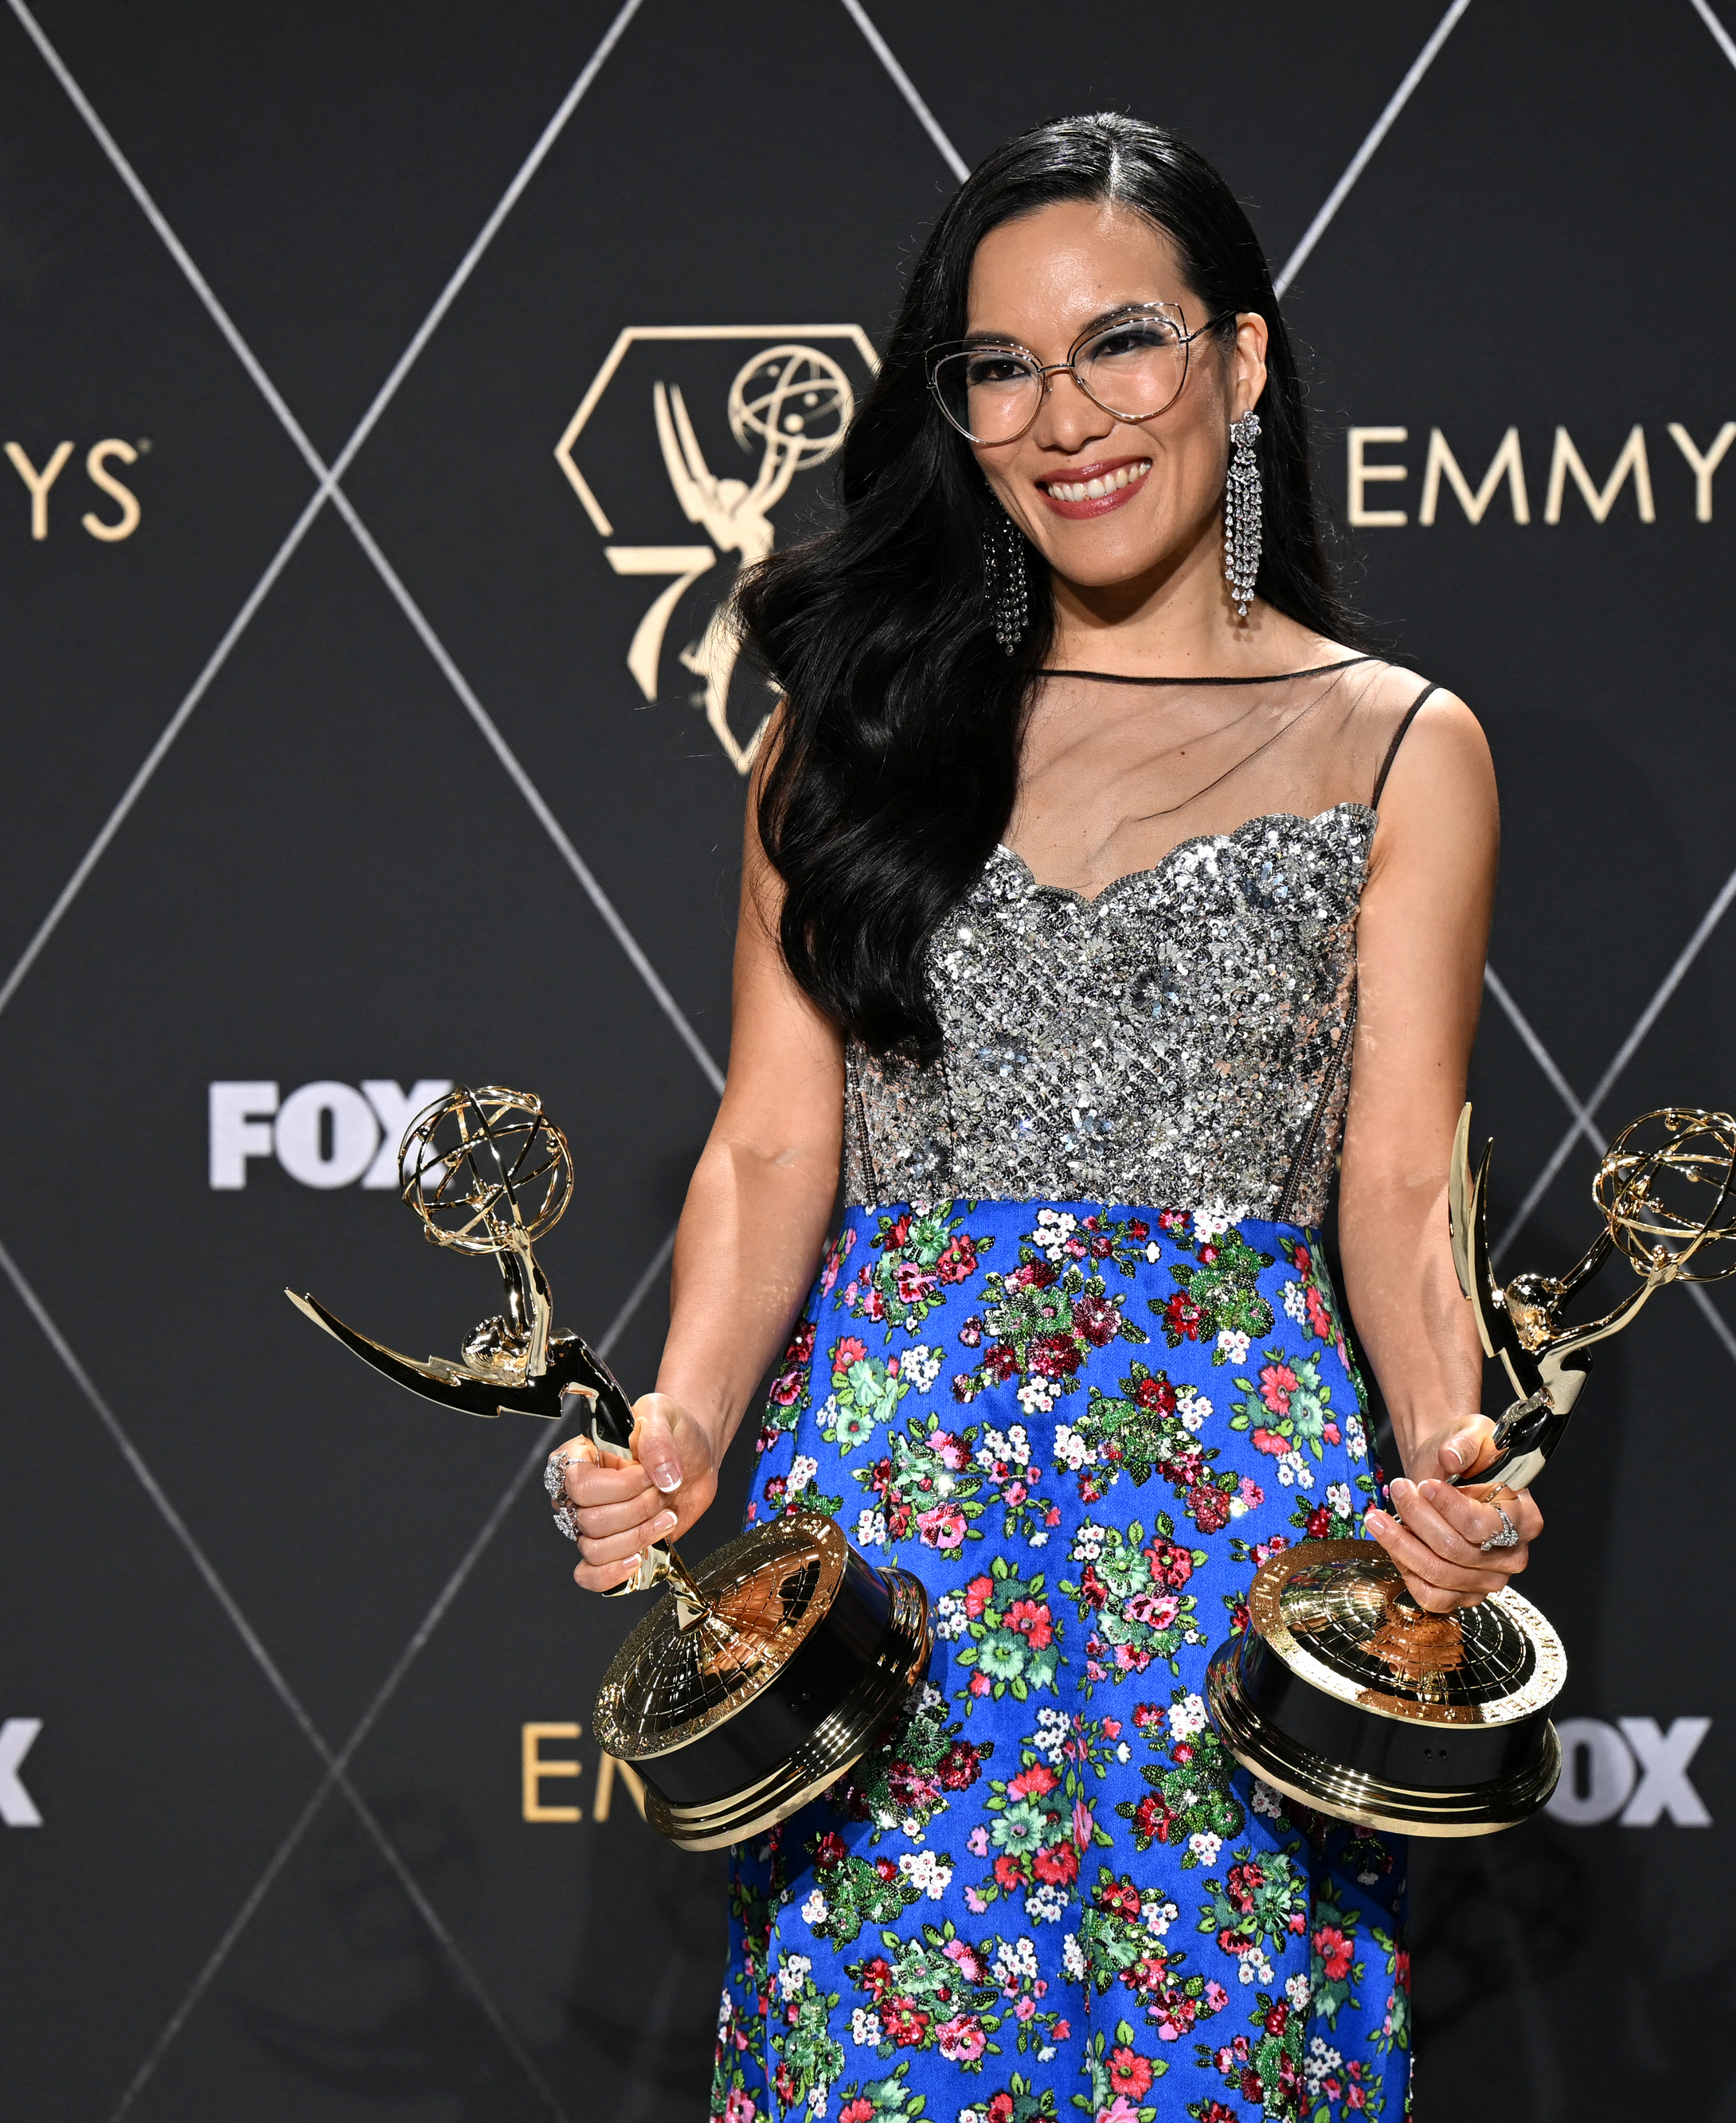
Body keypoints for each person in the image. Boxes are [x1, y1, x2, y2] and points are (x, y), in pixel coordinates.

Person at [551, 113, 1530, 2123]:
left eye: (1123, 345)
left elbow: (1402, 1171)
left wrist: (1446, 1475)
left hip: (1237, 1555)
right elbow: (767, 1143)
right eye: (998, 365)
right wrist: (682, 1433)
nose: (1061, 416)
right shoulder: (852, 727)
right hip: (896, 1557)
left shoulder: (1399, 744)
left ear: (1240, 366)